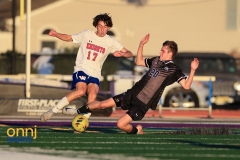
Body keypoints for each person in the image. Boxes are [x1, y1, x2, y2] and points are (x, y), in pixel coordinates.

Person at [63, 34, 199, 134]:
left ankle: (136, 130)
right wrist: (141, 45)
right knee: (102, 104)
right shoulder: (156, 60)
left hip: (143, 103)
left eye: (163, 50)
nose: (160, 52)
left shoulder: (174, 69)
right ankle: (76, 111)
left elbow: (186, 86)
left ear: (170, 53)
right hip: (132, 93)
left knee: (120, 124)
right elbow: (139, 62)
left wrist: (192, 70)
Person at [40, 13, 133, 122]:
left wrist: (122, 54)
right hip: (82, 69)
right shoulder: (87, 35)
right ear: (96, 26)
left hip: (95, 73)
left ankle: (82, 121)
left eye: (105, 27)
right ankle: (53, 111)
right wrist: (56, 34)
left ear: (109, 27)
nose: (103, 29)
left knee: (92, 96)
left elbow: (129, 53)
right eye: (100, 26)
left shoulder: (110, 41)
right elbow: (69, 38)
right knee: (80, 91)